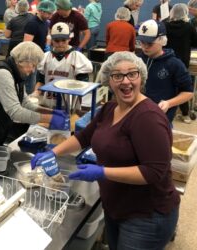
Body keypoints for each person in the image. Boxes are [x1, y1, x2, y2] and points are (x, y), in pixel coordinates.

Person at [31, 51, 180, 250]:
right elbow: (84, 137)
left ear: (141, 77)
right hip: (117, 205)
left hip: (146, 215)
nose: (125, 81)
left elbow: (154, 172)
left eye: (132, 74)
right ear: (108, 80)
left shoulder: (148, 118)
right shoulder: (111, 108)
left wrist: (103, 172)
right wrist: (54, 152)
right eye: (117, 75)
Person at [0, 42, 69, 167]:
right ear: (22, 61)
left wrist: (50, 112)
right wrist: (50, 119)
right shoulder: (2, 74)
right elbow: (16, 112)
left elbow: (25, 103)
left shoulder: (16, 74)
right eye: (32, 65)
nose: (33, 70)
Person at [137, 19, 194, 123]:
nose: (144, 47)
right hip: (138, 114)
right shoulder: (137, 60)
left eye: (149, 43)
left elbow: (188, 92)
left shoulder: (174, 64)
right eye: (141, 42)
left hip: (161, 118)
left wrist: (169, 103)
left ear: (162, 41)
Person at [34, 22, 92, 98]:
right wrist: (36, 94)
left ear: (69, 39)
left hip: (69, 104)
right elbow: (40, 81)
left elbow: (83, 85)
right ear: (52, 40)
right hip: (48, 102)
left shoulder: (77, 58)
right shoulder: (45, 57)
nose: (60, 44)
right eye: (57, 41)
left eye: (64, 40)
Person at [164, 4, 197, 124]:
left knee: (166, 85)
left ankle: (163, 110)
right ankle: (185, 114)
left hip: (167, 60)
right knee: (183, 88)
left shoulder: (165, 25)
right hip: (182, 62)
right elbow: (195, 42)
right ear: (185, 12)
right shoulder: (189, 27)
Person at [23, 0, 56, 94]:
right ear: (41, 11)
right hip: (31, 59)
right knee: (30, 84)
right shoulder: (32, 23)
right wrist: (30, 62)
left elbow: (46, 36)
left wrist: (48, 44)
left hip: (40, 57)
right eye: (48, 14)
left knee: (38, 81)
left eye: (51, 14)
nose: (50, 16)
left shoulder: (46, 22)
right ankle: (27, 102)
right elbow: (26, 45)